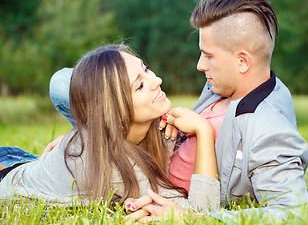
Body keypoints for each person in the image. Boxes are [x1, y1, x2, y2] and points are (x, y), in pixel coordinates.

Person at [126, 0, 308, 221]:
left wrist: (195, 218)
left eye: (208, 55)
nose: (200, 65)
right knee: (74, 84)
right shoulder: (225, 83)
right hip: (150, 154)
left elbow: (293, 211)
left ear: (242, 61)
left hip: (162, 187)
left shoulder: (270, 132)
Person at [0, 44, 220, 213]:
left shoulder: (151, 127)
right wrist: (203, 130)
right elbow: (201, 212)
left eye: (147, 69)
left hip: (22, 160)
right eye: (140, 85)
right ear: (115, 110)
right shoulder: (112, 163)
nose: (157, 80)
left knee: (62, 83)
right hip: (8, 180)